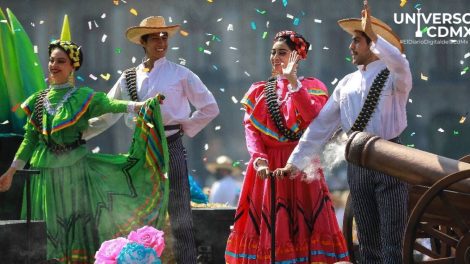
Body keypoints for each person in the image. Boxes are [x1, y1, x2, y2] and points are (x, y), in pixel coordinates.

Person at [0, 39, 170, 263]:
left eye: (61, 61)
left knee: (75, 221)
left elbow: (111, 105)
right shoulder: (38, 101)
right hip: (45, 175)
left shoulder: (83, 97)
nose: (54, 65)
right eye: (51, 60)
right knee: (48, 223)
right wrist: (11, 171)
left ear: (73, 66)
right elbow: (29, 140)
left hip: (75, 172)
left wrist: (140, 106)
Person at [276, 4, 411, 263]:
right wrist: (295, 162)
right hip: (358, 163)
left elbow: (401, 64)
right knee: (368, 242)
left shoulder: (395, 76)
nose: (351, 46)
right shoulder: (346, 83)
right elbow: (320, 127)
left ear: (373, 45)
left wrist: (374, 36)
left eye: (357, 41)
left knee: (393, 242)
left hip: (392, 161)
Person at [83, 16, 219, 263]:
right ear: (143, 42)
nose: (161, 41)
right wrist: (80, 134)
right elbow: (110, 111)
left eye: (164, 36)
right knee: (139, 211)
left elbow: (210, 107)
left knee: (180, 214)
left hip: (172, 146)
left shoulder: (181, 74)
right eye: (155, 37)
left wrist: (183, 128)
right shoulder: (128, 78)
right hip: (141, 148)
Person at [225, 30, 349, 263]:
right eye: (273, 53)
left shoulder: (313, 87)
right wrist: (259, 158)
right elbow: (251, 130)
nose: (275, 58)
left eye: (282, 53)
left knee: (305, 226)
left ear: (297, 56)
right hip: (267, 167)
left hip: (301, 166)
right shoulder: (258, 91)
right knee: (270, 227)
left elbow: (314, 118)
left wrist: (293, 82)